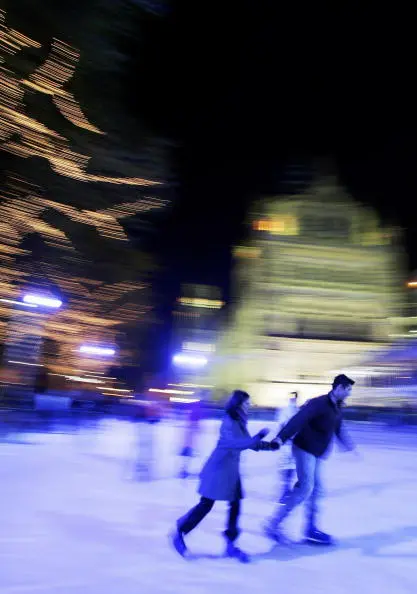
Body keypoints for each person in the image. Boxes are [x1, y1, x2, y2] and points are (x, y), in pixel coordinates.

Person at [170, 390, 275, 562]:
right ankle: (180, 531)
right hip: (218, 469)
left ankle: (230, 543)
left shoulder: (240, 420)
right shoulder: (228, 420)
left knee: (235, 506)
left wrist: (270, 445)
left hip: (231, 471)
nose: (249, 406)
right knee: (206, 505)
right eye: (247, 403)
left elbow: (249, 443)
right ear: (238, 404)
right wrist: (258, 436)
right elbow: (234, 443)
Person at [264, 374, 356, 545]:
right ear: (339, 387)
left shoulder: (337, 407)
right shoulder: (319, 403)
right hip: (304, 449)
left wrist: (347, 444)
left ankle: (310, 529)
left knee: (317, 490)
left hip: (317, 453)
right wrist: (280, 438)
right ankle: (273, 524)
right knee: (305, 488)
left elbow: (337, 427)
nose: (349, 393)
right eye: (348, 389)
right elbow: (298, 419)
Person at [275, 391, 299, 503]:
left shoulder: (286, 411)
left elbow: (281, 426)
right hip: (291, 444)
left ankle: (286, 492)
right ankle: (286, 492)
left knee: (287, 468)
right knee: (289, 468)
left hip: (288, 444)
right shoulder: (296, 411)